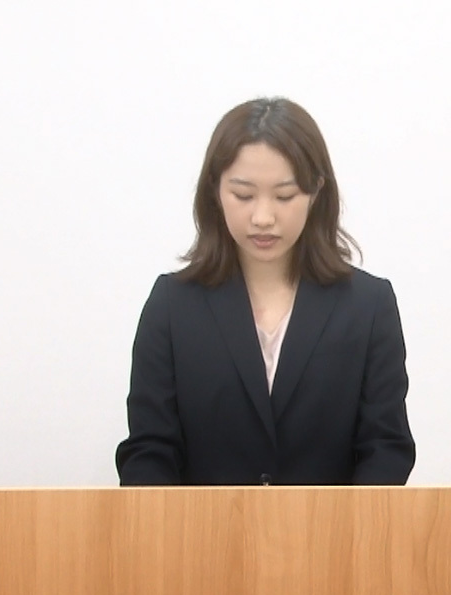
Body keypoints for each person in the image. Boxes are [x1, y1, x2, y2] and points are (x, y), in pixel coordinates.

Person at [115, 97, 415, 486]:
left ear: (316, 192)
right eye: (243, 195)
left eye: (284, 196)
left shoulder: (368, 306)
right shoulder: (172, 306)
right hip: (204, 527)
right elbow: (149, 452)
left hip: (332, 526)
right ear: (215, 190)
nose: (263, 217)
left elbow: (386, 449)